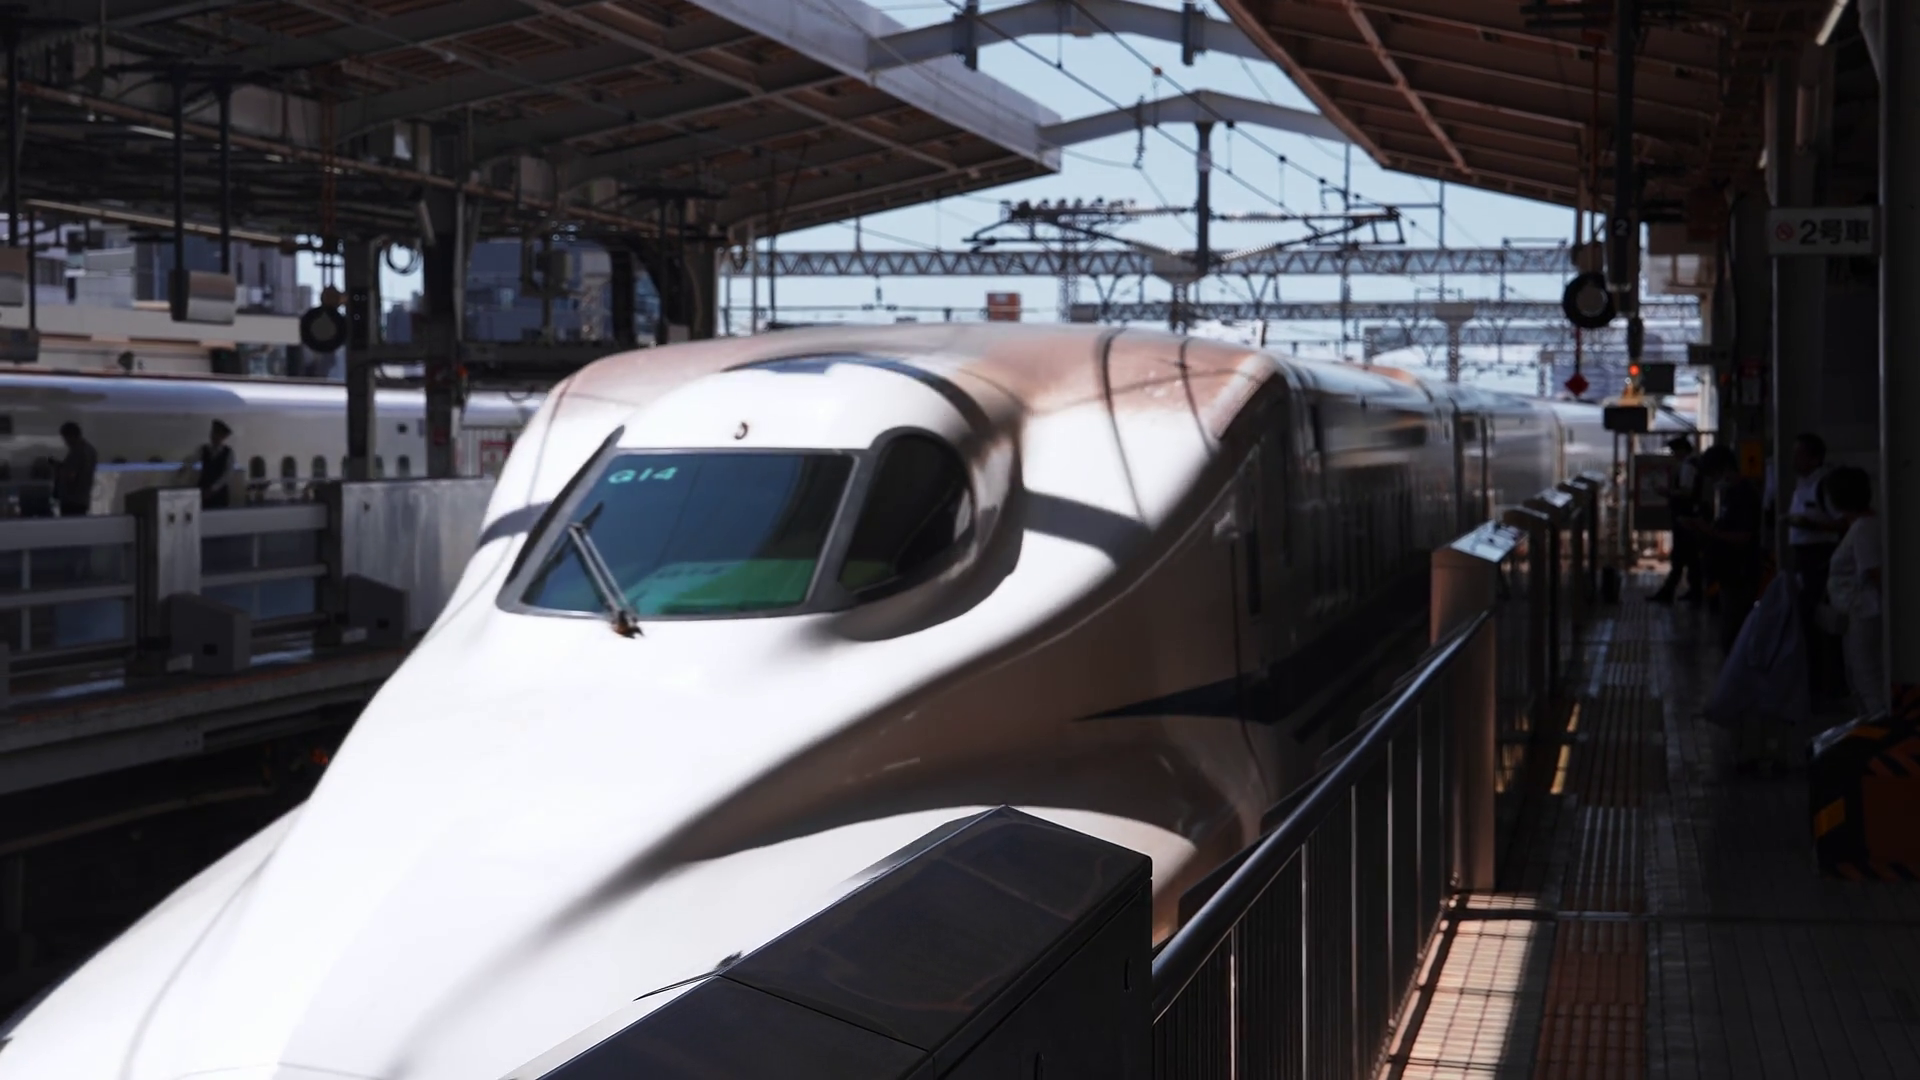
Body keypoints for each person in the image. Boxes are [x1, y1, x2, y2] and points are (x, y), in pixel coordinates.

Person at [1822, 466, 1886, 719]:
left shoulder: (1862, 529)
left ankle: (1879, 722)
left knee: (1865, 674)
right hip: (1858, 611)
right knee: (1858, 672)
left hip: (1864, 611)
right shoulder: (1864, 524)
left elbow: (1874, 572)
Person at [1687, 445, 1763, 651]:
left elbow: (1743, 537)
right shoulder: (1730, 494)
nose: (1713, 480)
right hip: (1729, 573)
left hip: (1741, 573)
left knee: (1735, 632)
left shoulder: (1745, 495)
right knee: (1729, 627)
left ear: (1724, 468)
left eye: (1713, 474)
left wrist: (1710, 532)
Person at [1651, 434, 1703, 603]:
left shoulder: (1688, 466)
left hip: (1684, 517)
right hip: (1690, 516)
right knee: (1691, 557)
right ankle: (1694, 591)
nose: (1674, 455)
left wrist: (1667, 492)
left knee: (1680, 556)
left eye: (1675, 451)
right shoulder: (1693, 464)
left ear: (1682, 450)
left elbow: (1687, 492)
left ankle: (1669, 592)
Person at [51, 421, 97, 517]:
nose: (65, 442)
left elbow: (71, 475)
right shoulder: (90, 450)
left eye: (65, 438)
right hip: (83, 498)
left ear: (71, 436)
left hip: (71, 500)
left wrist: (58, 469)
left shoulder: (77, 452)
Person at [191, 420, 236, 508]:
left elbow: (227, 475)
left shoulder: (228, 453)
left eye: (218, 434)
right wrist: (185, 466)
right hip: (203, 490)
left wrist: (213, 489)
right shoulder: (203, 449)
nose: (214, 437)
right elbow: (192, 460)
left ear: (223, 437)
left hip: (219, 494)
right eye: (213, 433)